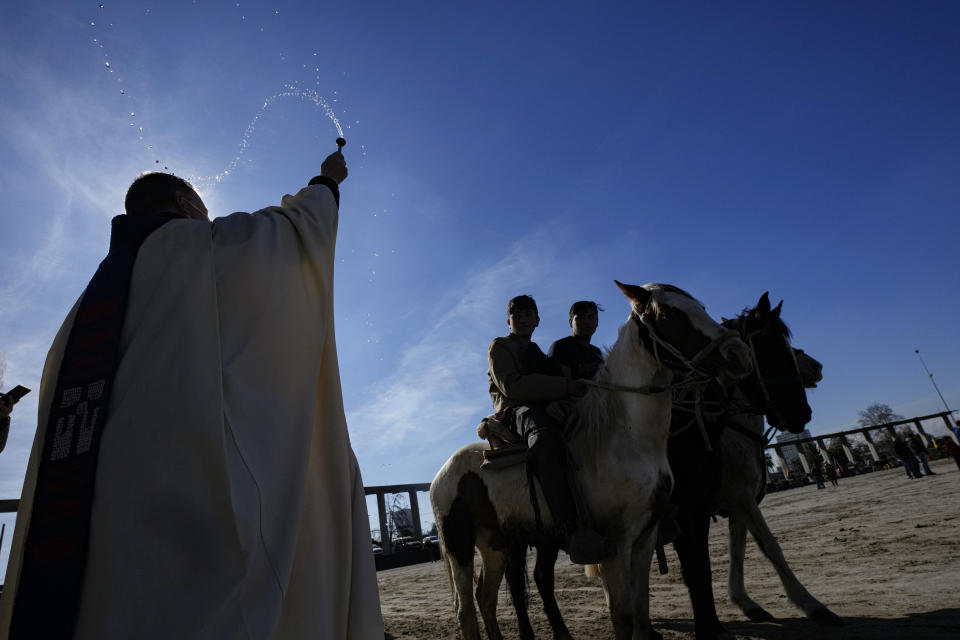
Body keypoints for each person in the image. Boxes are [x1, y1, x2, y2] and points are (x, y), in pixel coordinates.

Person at [0, 151, 383, 639]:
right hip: (180, 531)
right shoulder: (193, 247)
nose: (209, 217)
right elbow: (290, 235)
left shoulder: (78, 317)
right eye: (203, 208)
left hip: (82, 554)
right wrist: (326, 182)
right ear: (183, 203)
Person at [487, 295, 613, 564]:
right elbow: (514, 387)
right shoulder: (500, 347)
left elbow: (549, 384)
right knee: (545, 438)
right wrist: (566, 388)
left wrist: (560, 401)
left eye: (527, 314)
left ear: (537, 320)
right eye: (517, 315)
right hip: (514, 410)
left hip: (541, 407)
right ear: (508, 321)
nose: (522, 319)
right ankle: (569, 531)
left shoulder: (536, 352)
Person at [547, 301, 604, 381]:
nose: (586, 321)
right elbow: (564, 386)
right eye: (580, 317)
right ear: (570, 322)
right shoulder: (561, 347)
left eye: (591, 317)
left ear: (597, 322)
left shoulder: (597, 353)